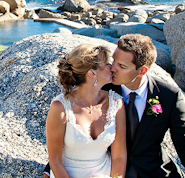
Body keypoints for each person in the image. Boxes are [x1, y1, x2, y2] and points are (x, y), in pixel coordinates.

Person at [44, 34, 185, 178]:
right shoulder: (103, 86)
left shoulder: (169, 96)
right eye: (113, 61)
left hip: (151, 172)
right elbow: (74, 132)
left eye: (122, 66)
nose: (113, 69)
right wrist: (51, 169)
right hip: (107, 170)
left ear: (142, 71)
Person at [45, 44, 127, 178]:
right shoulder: (60, 108)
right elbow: (55, 161)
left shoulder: (116, 103)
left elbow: (119, 157)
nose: (112, 68)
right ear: (92, 73)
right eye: (107, 64)